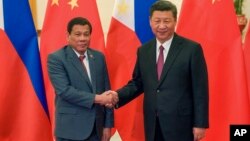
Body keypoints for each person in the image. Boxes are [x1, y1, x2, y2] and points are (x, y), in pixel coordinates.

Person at [109, 1, 209, 141]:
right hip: (153, 123)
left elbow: (200, 89)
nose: (162, 26)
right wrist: (116, 95)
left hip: (181, 125)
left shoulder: (192, 49)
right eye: (157, 21)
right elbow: (138, 83)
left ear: (175, 21)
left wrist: (200, 124)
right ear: (150, 21)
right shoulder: (144, 51)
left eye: (166, 21)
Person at [47, 17, 117, 141]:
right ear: (68, 35)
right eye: (77, 34)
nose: (82, 38)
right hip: (71, 130)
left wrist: (107, 125)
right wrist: (98, 98)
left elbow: (106, 89)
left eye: (86, 34)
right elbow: (65, 91)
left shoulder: (98, 57)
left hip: (97, 129)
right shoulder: (56, 58)